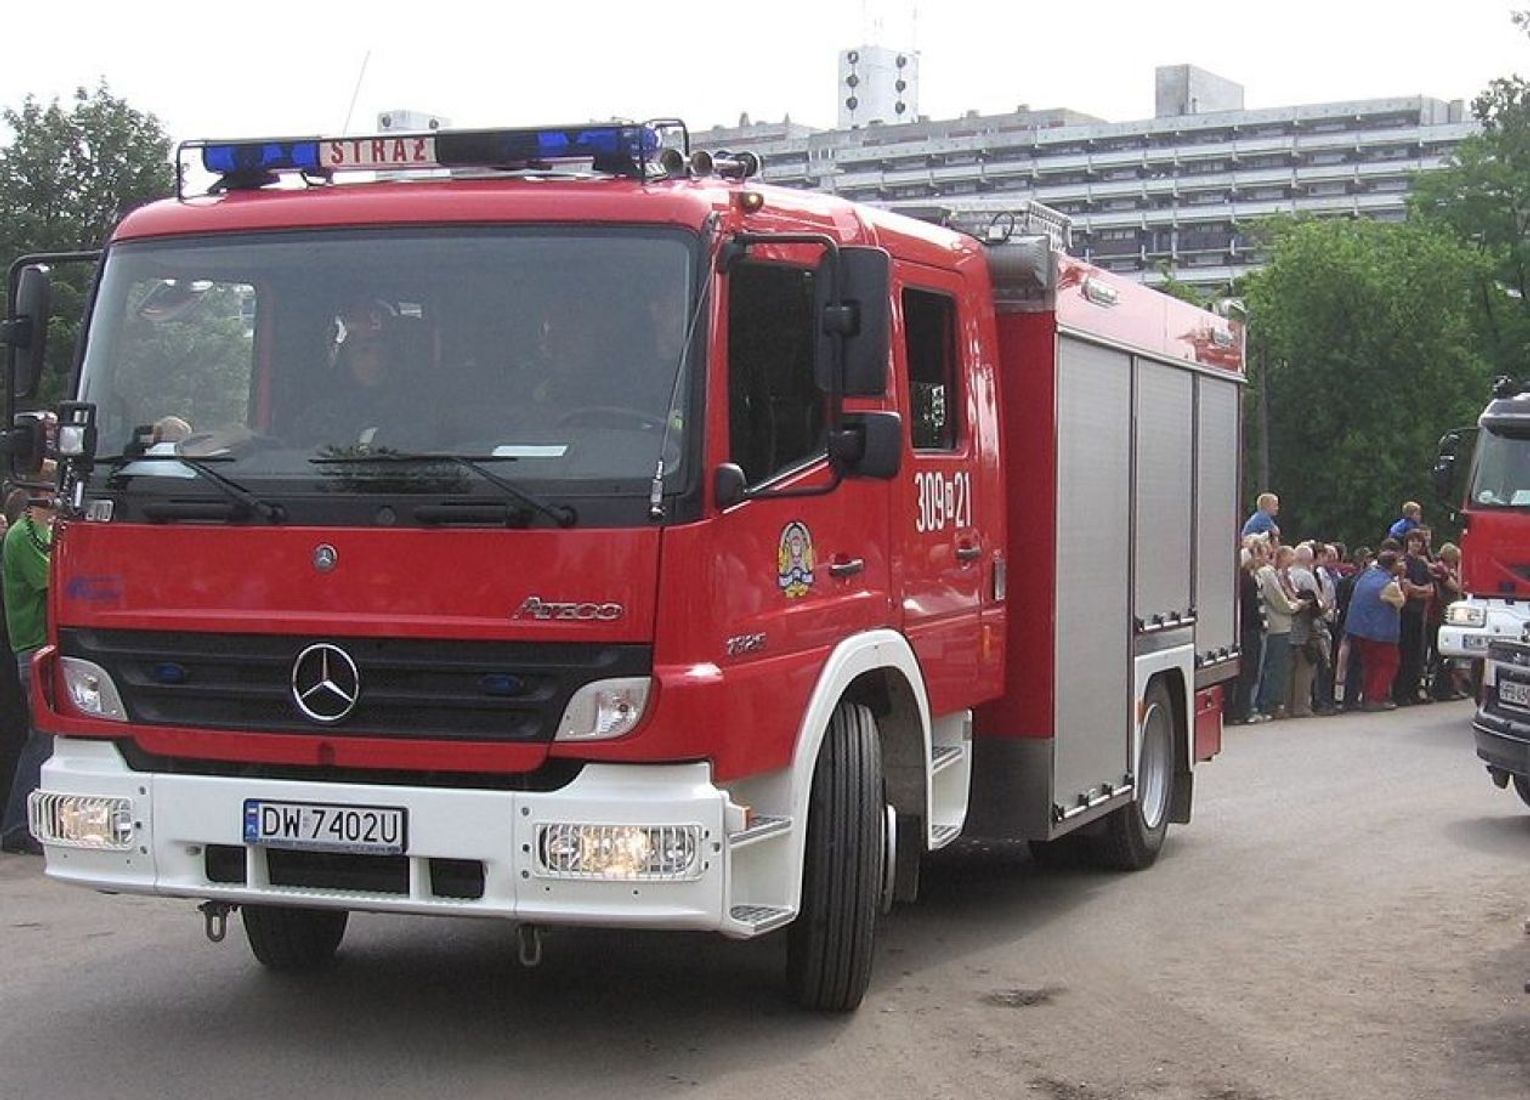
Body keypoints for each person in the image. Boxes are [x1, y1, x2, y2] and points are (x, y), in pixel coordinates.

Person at [0, 490, 54, 854]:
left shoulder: (36, 533)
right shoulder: (25, 535)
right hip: (34, 645)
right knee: (42, 739)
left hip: (38, 646)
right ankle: (19, 825)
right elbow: (51, 579)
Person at [1346, 550, 1406, 711]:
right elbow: (1401, 602)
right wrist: (1401, 580)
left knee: (1370, 664)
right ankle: (1375, 697)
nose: (1402, 565)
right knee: (1389, 663)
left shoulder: (1366, 576)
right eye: (1399, 562)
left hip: (1359, 629)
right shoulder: (1389, 585)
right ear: (1392, 565)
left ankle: (1367, 696)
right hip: (1381, 631)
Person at [1255, 543, 1306, 720]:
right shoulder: (1267, 574)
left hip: (1279, 625)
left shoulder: (1276, 574)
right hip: (1278, 626)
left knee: (1275, 667)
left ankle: (1270, 702)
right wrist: (1296, 606)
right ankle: (1270, 704)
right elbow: (1279, 601)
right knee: (1276, 667)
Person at [1229, 537, 1270, 724]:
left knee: (1246, 672)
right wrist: (1261, 624)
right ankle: (1243, 710)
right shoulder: (1248, 580)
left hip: (1245, 629)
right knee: (1248, 671)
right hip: (1250, 630)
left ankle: (1238, 710)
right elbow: (1254, 608)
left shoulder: (1245, 579)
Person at [1393, 528, 1435, 705]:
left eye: (1419, 541)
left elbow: (1430, 590)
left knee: (1417, 653)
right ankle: (1400, 692)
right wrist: (1419, 590)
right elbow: (1405, 587)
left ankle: (1413, 691)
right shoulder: (1404, 563)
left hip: (1419, 613)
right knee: (1404, 652)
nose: (1416, 544)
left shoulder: (1422, 564)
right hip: (1405, 613)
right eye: (1412, 540)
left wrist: (1417, 590)